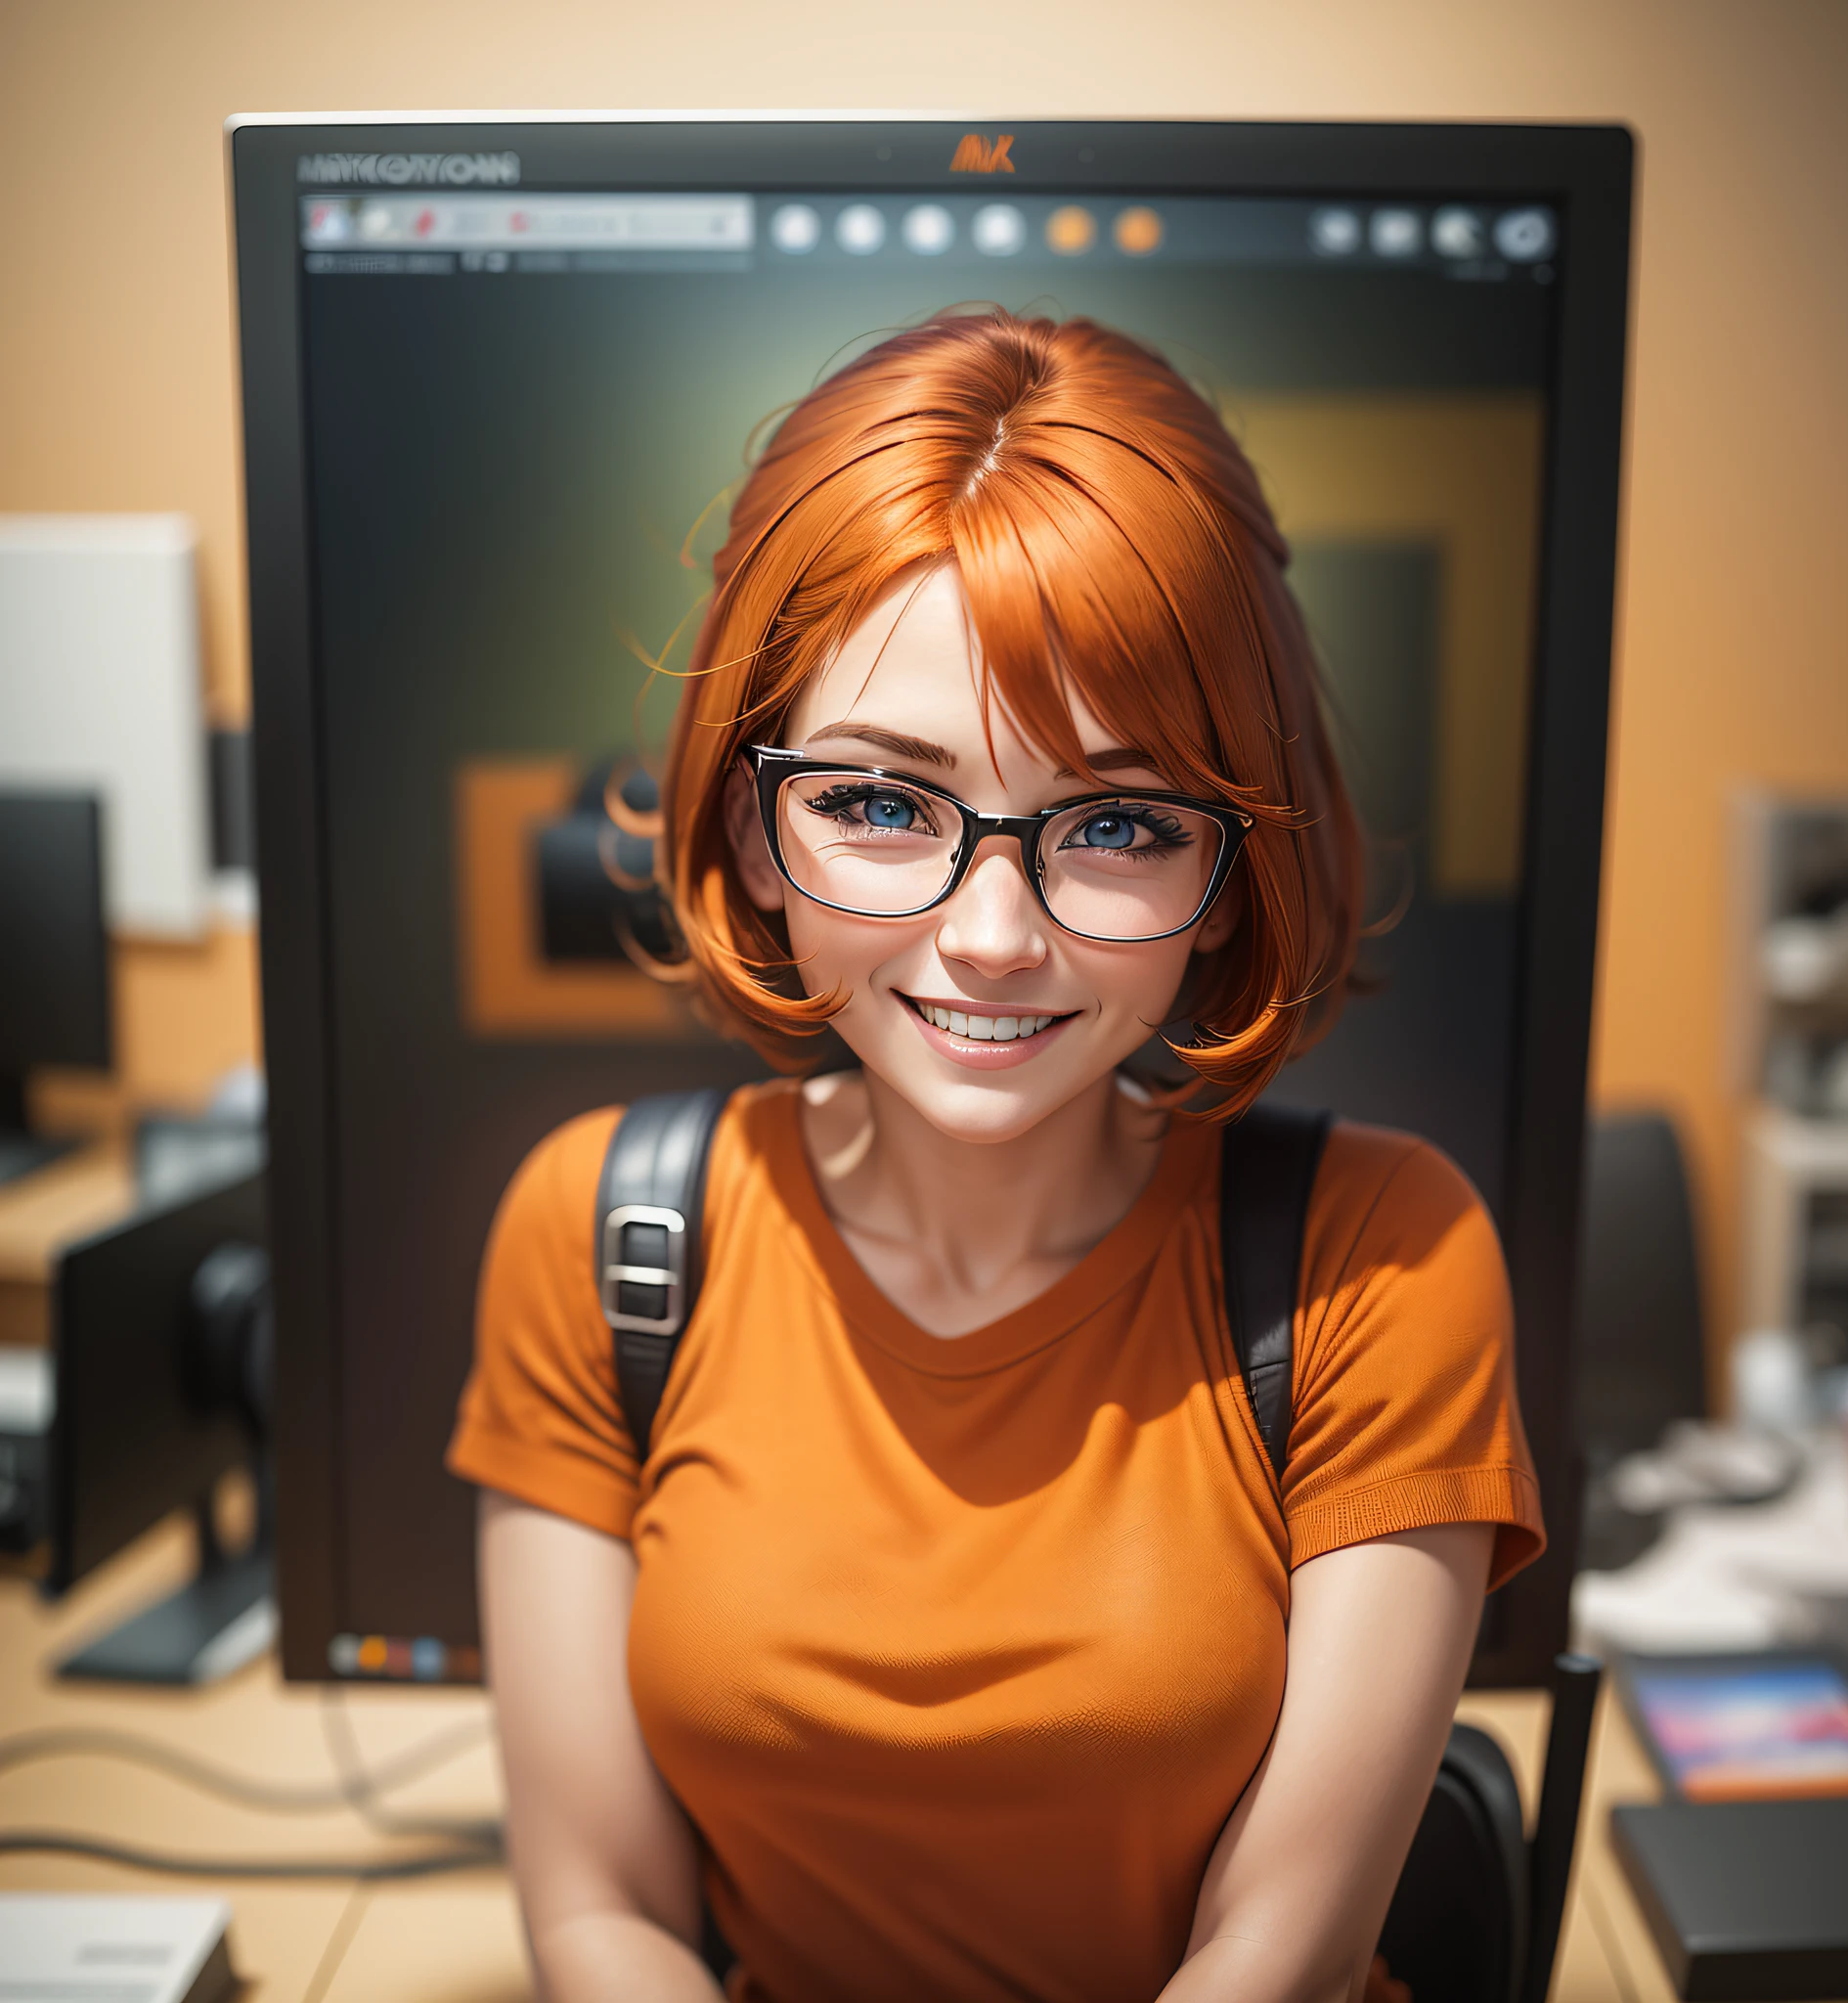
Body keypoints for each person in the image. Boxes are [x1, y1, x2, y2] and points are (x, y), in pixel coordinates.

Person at [448, 309, 1543, 2003]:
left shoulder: (1383, 1255)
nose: (991, 936)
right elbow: (603, 1919)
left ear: (1232, 869)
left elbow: (1283, 1957)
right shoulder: (600, 1238)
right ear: (753, 825)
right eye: (881, 805)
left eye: (1115, 825)